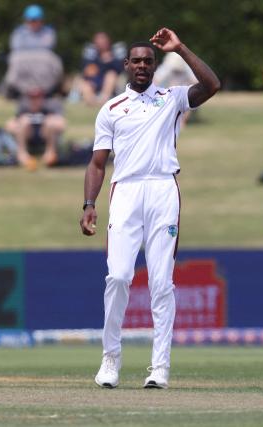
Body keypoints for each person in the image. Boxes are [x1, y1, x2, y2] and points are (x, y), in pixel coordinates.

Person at [79, 28, 220, 390]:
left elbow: (212, 84)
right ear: (126, 65)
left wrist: (181, 48)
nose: (142, 66)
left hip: (162, 190)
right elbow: (97, 164)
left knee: (161, 282)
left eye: (149, 62)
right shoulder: (111, 109)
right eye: (137, 61)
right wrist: (89, 204)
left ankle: (160, 368)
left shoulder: (171, 98)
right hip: (125, 192)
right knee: (119, 277)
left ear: (155, 67)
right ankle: (110, 359)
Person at [5, 87, 66, 170]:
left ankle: (50, 153)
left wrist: (51, 121)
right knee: (24, 121)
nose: (35, 100)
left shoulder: (49, 109)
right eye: (32, 98)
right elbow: (9, 125)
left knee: (50, 122)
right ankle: (22, 154)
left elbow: (62, 124)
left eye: (37, 97)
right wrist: (18, 124)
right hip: (29, 137)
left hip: (44, 137)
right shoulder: (24, 110)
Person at [79, 32, 126, 107]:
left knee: (111, 75)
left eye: (103, 41)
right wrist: (102, 61)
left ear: (108, 42)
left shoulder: (115, 54)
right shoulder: (92, 56)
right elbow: (88, 71)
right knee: (85, 84)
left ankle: (102, 101)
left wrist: (110, 60)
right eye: (98, 41)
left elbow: (120, 69)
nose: (101, 44)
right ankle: (93, 103)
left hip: (113, 84)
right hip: (95, 82)